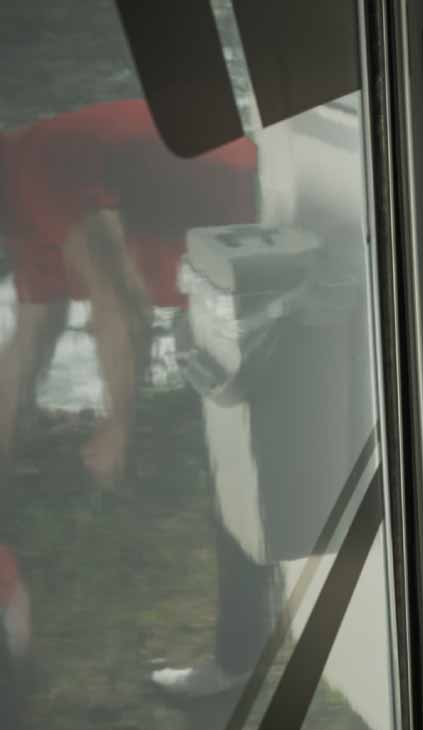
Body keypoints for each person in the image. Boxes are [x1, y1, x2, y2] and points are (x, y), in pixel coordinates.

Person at [0, 99, 257, 487]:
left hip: (262, 204)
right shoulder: (18, 199)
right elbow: (32, 329)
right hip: (210, 242)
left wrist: (117, 429)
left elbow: (120, 303)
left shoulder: (40, 169)